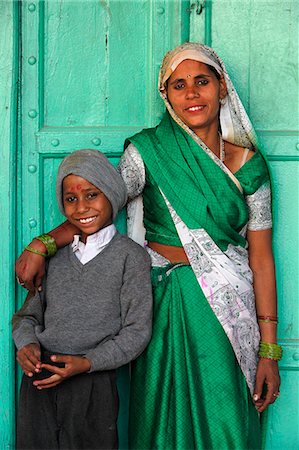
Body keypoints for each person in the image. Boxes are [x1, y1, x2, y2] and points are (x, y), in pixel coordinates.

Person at [15, 43, 281, 450]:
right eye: (179, 85)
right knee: (161, 424)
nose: (192, 94)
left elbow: (261, 259)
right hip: (162, 307)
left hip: (227, 312)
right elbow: (97, 207)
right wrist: (43, 243)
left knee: (226, 422)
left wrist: (268, 350)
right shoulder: (148, 152)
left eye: (202, 82)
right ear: (167, 95)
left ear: (222, 87)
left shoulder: (250, 166)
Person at [12, 149, 152, 450]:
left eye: (92, 195)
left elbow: (136, 331)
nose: (81, 207)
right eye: (71, 199)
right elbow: (27, 318)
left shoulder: (131, 257)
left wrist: (88, 363)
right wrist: (27, 344)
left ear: (111, 196)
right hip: (39, 378)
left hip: (92, 381)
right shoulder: (54, 257)